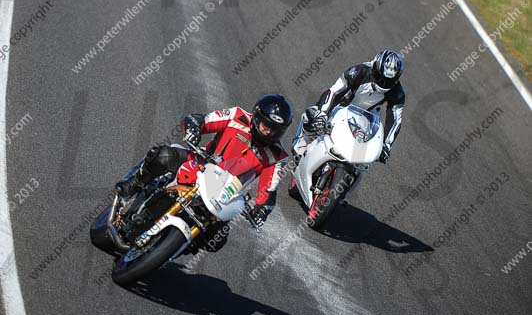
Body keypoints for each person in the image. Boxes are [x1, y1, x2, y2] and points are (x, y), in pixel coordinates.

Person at [116, 94, 293, 228]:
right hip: (200, 164)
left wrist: (262, 210)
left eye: (275, 130)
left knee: (216, 239)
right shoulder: (237, 116)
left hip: (224, 195)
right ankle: (134, 184)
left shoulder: (277, 156)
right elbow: (202, 120)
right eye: (266, 125)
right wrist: (194, 128)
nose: (268, 132)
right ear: (256, 117)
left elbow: (269, 190)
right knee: (163, 156)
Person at [292, 49, 404, 164]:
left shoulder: (397, 93)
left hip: (365, 119)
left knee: (361, 157)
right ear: (375, 68)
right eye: (381, 78)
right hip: (341, 107)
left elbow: (395, 120)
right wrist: (323, 113)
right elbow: (333, 92)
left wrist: (386, 145)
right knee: (314, 114)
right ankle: (302, 143)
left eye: (388, 81)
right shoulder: (358, 71)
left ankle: (351, 173)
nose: (383, 83)